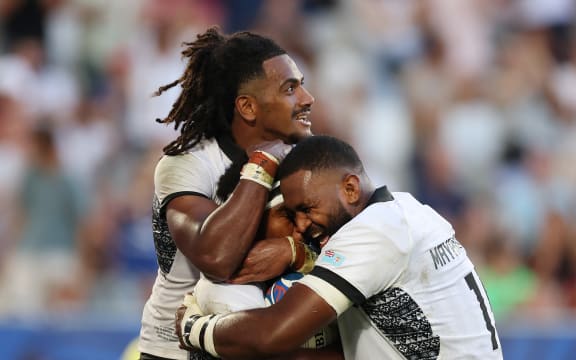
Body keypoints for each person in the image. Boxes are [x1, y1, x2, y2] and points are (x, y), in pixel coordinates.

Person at [175, 135, 504, 360]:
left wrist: (195, 328)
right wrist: (297, 253)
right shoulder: (404, 211)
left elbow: (273, 333)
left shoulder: (373, 231)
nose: (302, 225)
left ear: (349, 188)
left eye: (305, 208)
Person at [138, 26, 322, 360]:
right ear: (248, 107)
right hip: (176, 348)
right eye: (290, 88)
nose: (307, 99)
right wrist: (264, 162)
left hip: (256, 340)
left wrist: (298, 251)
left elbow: (350, 239)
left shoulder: (309, 157)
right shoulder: (186, 163)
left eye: (302, 85)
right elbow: (217, 258)